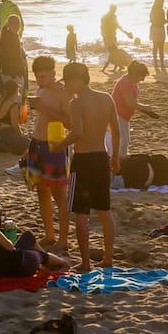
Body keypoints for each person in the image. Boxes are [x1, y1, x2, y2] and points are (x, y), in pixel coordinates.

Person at [49, 62, 120, 272]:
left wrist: (58, 146)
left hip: (83, 160)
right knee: (104, 211)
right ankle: (108, 258)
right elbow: (116, 132)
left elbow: (78, 133)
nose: (66, 87)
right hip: (101, 157)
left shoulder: (76, 104)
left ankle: (86, 262)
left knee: (81, 213)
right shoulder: (106, 98)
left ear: (76, 80)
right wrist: (115, 157)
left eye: (67, 82)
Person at [25, 56, 71, 249]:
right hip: (37, 143)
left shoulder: (64, 93)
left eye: (44, 76)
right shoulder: (40, 90)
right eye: (37, 77)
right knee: (41, 191)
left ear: (54, 73)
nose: (41, 80)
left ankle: (64, 239)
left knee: (60, 195)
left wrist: (45, 107)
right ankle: (49, 234)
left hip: (55, 146)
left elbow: (69, 123)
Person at [107, 61, 153, 159]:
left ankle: (120, 161)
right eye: (142, 76)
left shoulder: (132, 82)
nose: (143, 79)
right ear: (135, 74)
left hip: (124, 117)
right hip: (117, 115)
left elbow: (132, 103)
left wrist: (144, 111)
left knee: (125, 141)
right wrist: (145, 108)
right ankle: (117, 162)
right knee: (122, 141)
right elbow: (130, 102)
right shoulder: (125, 83)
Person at [0, 14, 27, 100]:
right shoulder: (11, 37)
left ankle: (0, 95)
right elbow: (13, 56)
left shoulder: (6, 35)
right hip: (11, 71)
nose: (16, 26)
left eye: (18, 24)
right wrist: (18, 70)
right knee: (16, 94)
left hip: (6, 70)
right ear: (9, 25)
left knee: (8, 93)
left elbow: (10, 55)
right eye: (14, 24)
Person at [100, 4, 133, 76]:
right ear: (110, 9)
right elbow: (104, 27)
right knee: (113, 52)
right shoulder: (107, 17)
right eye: (114, 9)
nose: (114, 11)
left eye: (115, 10)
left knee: (114, 53)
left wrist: (126, 33)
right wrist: (126, 33)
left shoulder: (108, 16)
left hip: (111, 36)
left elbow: (117, 26)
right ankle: (119, 66)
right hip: (108, 36)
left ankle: (118, 66)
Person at [149, 0, 166, 68]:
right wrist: (166, 21)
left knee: (155, 46)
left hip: (154, 29)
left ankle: (156, 63)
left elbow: (152, 20)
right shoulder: (161, 11)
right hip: (159, 29)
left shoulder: (153, 10)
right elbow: (162, 21)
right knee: (161, 47)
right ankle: (161, 64)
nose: (162, 4)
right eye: (162, 3)